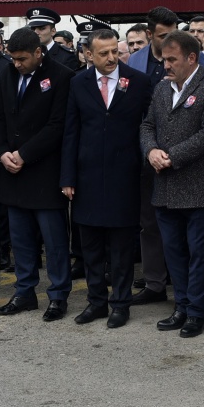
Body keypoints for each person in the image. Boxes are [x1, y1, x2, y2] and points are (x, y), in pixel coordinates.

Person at [61, 25, 154, 328]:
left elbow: (150, 125)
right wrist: (67, 177)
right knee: (90, 247)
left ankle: (121, 304)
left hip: (124, 176)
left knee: (122, 248)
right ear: (88, 54)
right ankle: (97, 302)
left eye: (115, 50)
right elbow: (71, 132)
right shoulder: (78, 83)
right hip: (87, 177)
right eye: (104, 53)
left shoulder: (138, 81)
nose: (112, 57)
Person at [141, 30, 204, 337]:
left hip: (200, 187)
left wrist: (171, 157)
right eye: (163, 59)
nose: (166, 65)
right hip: (166, 188)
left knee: (199, 253)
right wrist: (151, 150)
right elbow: (147, 125)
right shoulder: (162, 88)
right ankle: (181, 305)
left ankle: (196, 312)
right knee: (173, 251)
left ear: (192, 58)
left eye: (171, 59)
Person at [0, 27, 74, 319]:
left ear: (38, 53)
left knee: (54, 242)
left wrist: (24, 154)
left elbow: (57, 125)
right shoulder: (6, 74)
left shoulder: (62, 76)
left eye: (22, 59)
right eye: (13, 58)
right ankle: (24, 292)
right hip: (12, 171)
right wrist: (2, 152)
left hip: (44, 172)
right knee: (21, 241)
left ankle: (58, 295)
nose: (17, 64)